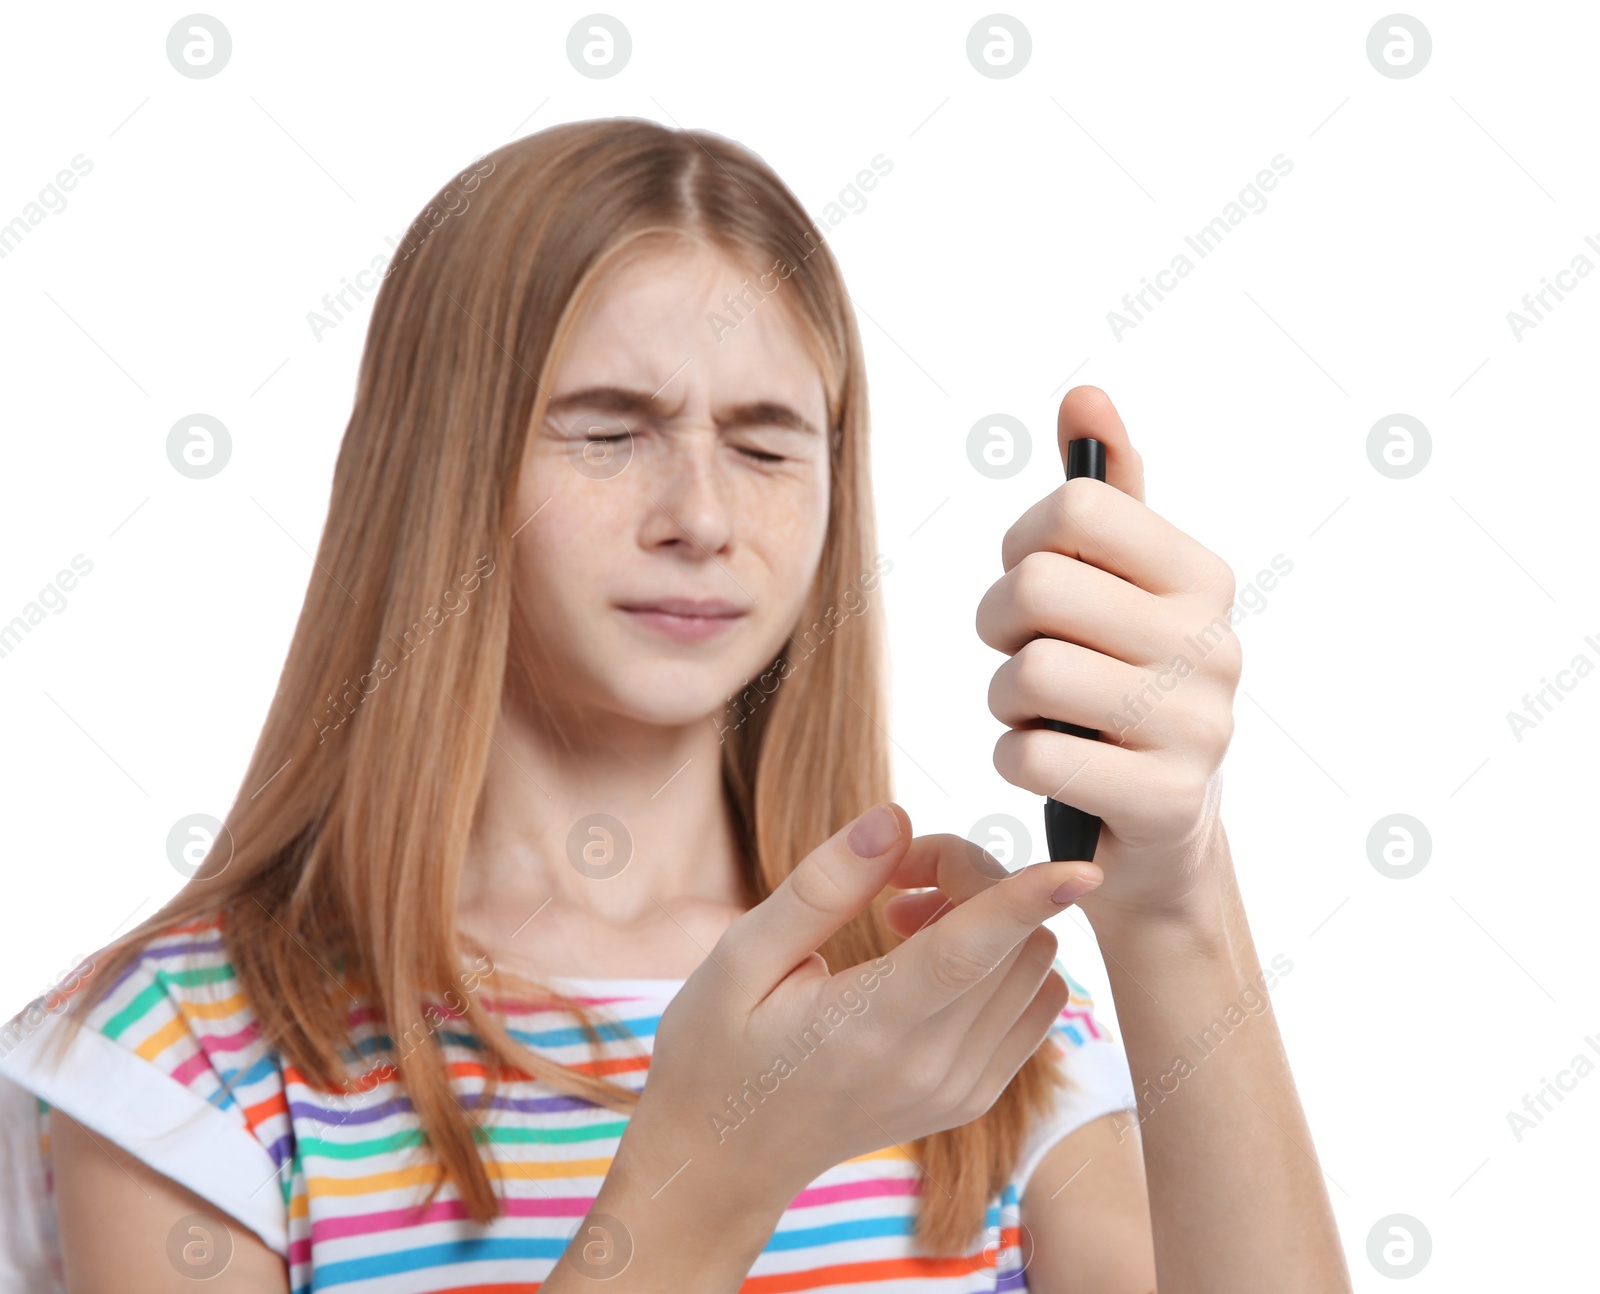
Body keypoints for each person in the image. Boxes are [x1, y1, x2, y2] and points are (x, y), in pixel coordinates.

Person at [0, 118, 1349, 1292]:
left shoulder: (952, 1002)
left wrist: (1175, 902)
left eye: (767, 442)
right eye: (607, 429)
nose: (702, 517)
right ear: (438, 471)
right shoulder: (180, 1056)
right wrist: (712, 1171)